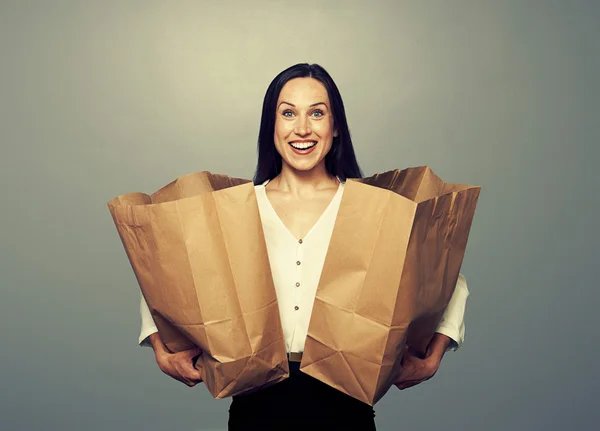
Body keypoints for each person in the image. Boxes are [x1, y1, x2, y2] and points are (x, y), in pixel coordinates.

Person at [137, 63, 470, 430]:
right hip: (255, 406)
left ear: (335, 126)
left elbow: (443, 277)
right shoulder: (238, 209)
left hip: (346, 405)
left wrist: (433, 357)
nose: (303, 128)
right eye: (288, 113)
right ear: (272, 126)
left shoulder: (372, 208)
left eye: (317, 113)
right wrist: (159, 350)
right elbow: (167, 277)